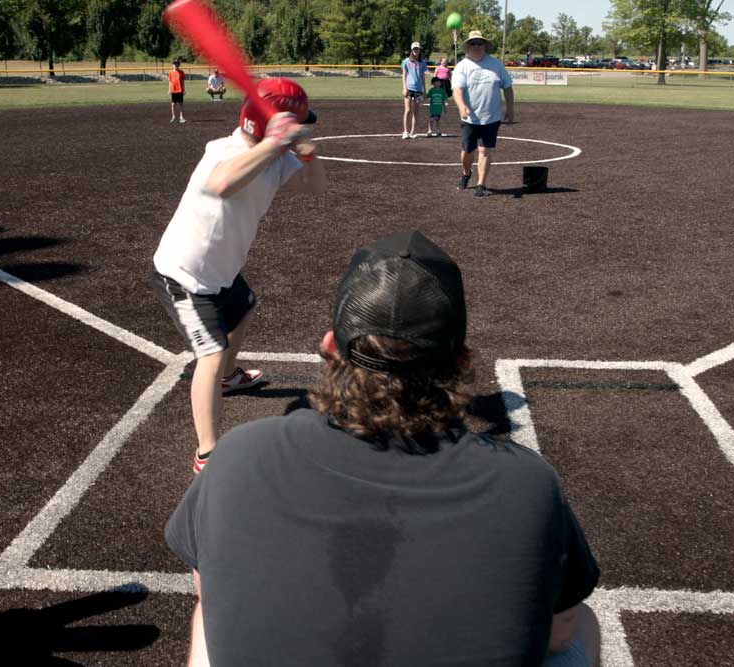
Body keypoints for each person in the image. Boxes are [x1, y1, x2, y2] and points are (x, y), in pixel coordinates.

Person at [166, 229, 602, 666]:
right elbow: (561, 630)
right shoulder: (526, 482)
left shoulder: (238, 455)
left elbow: (210, 587)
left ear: (330, 347)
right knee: (580, 626)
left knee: (209, 616)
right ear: (461, 361)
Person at [151, 78, 327, 474]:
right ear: (268, 129)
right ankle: (206, 452)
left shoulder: (277, 158)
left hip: (222, 271)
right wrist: (272, 142)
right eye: (296, 125)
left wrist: (308, 154)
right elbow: (222, 183)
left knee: (244, 311)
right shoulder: (223, 151)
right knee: (209, 354)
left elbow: (315, 190)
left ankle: (230, 378)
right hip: (185, 274)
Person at [452, 30, 515, 198]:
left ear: (485, 45)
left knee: (484, 151)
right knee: (468, 151)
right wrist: (461, 106)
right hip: (470, 118)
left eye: (480, 43)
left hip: (491, 117)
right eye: (473, 43)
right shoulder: (462, 66)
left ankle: (481, 185)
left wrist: (510, 108)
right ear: (468, 46)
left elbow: (507, 87)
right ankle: (466, 173)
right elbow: (457, 90)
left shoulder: (496, 65)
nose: (477, 46)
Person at [401, 41, 428, 139]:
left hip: (418, 90)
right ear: (412, 50)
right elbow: (404, 75)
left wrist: (424, 90)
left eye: (418, 49)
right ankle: (405, 131)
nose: (416, 50)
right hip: (409, 89)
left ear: (420, 50)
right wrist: (404, 88)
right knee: (407, 110)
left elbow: (422, 77)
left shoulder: (422, 63)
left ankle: (412, 131)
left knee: (416, 112)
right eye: (414, 49)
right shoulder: (406, 61)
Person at [169, 58, 187, 123]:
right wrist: (169, 89)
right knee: (173, 104)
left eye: (177, 64)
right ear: (173, 65)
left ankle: (181, 117)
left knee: (181, 104)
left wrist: (184, 89)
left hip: (180, 90)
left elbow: (183, 81)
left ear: (179, 65)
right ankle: (173, 116)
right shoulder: (170, 72)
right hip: (173, 90)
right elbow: (170, 81)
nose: (176, 65)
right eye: (175, 64)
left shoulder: (181, 72)